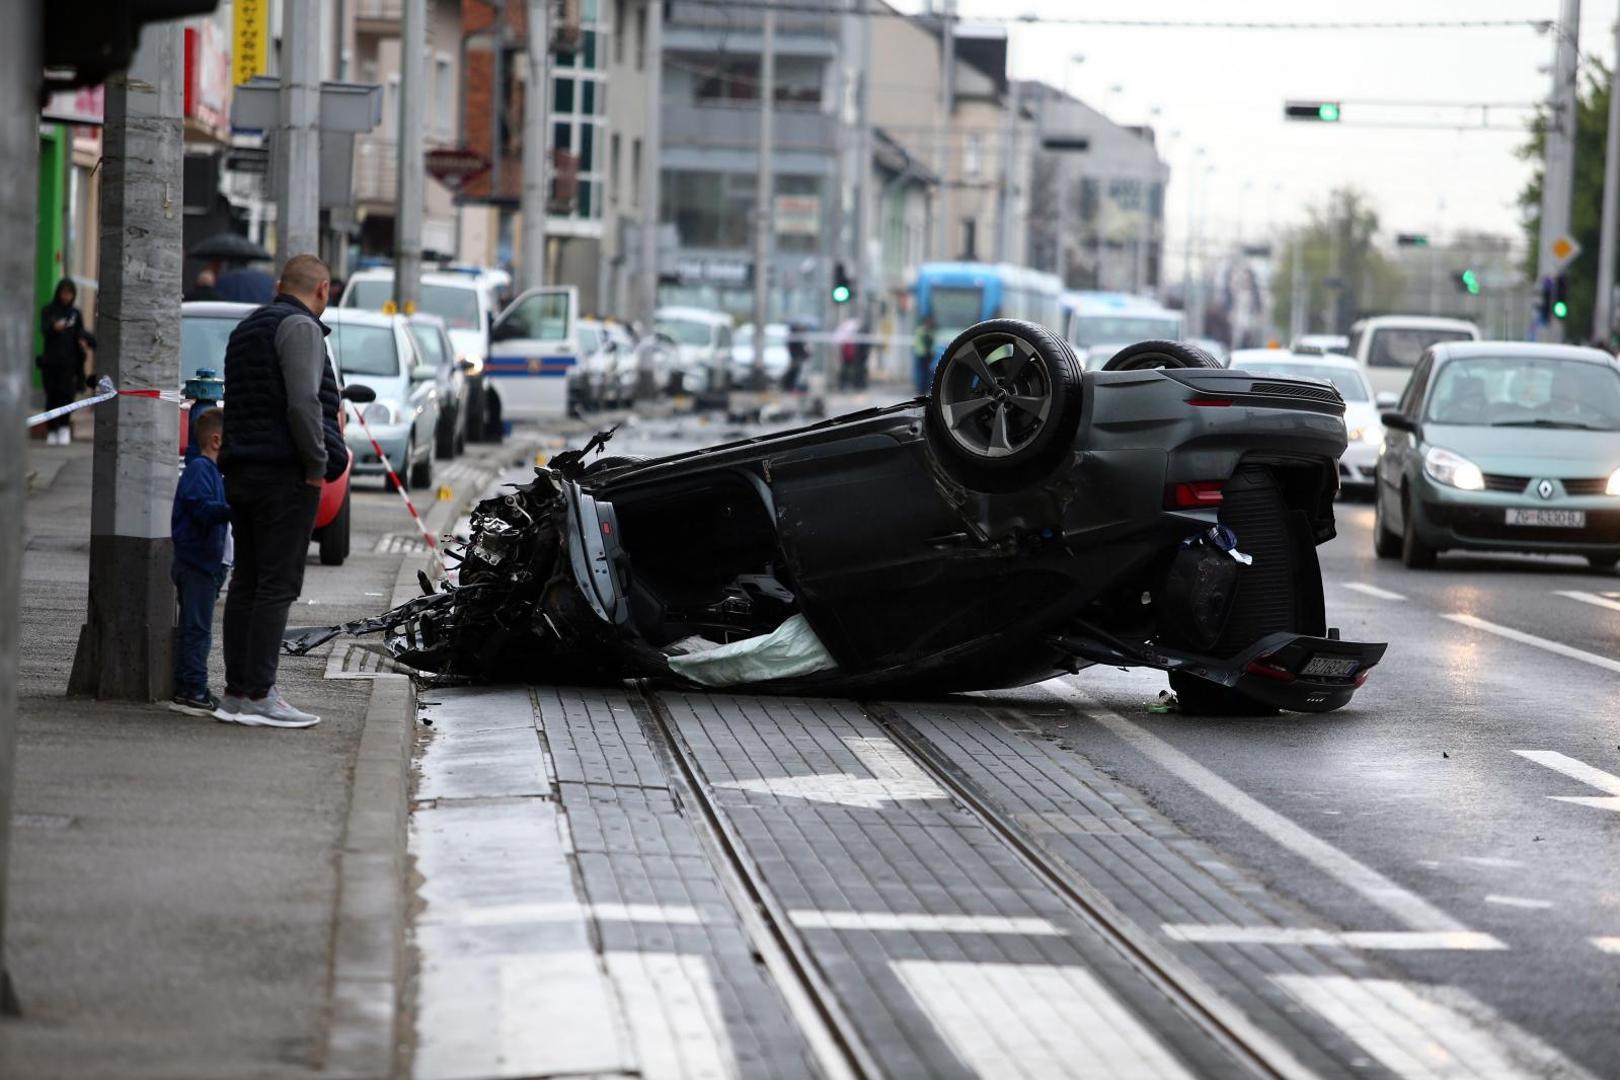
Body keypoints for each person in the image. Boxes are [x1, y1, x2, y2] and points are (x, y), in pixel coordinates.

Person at [214, 253, 342, 729]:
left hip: (242, 470)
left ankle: (236, 694)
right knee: (276, 585)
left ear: (278, 285)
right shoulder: (300, 327)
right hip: (285, 475)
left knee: (247, 581)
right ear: (323, 289)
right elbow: (304, 402)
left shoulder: (246, 329)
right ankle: (261, 694)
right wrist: (316, 465)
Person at [169, 408, 232, 716]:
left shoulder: (211, 471)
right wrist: (234, 506)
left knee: (195, 628)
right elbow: (202, 509)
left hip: (203, 565)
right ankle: (194, 688)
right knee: (198, 630)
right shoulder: (200, 470)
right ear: (217, 440)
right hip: (196, 565)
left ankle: (187, 686)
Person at [37, 278, 96, 444]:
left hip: (70, 364)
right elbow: (43, 329)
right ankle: (52, 429)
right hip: (51, 362)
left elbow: (81, 332)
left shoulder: (75, 314)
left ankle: (64, 426)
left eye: (70, 293)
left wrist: (85, 342)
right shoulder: (49, 310)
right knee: (51, 396)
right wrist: (53, 328)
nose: (66, 296)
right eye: (64, 293)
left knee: (67, 396)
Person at [913, 315, 936, 396]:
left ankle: (925, 389)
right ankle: (921, 390)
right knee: (922, 373)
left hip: (926, 355)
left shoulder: (929, 331)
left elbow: (932, 343)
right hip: (922, 355)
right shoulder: (921, 331)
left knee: (926, 373)